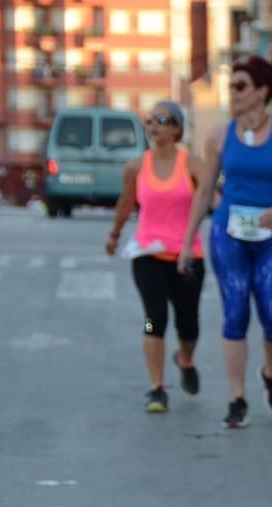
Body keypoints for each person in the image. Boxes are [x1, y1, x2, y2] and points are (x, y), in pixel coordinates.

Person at [177, 56, 272, 429]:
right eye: (231, 86)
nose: (232, 92)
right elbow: (204, 191)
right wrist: (187, 242)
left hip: (270, 235)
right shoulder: (219, 136)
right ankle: (237, 398)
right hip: (228, 234)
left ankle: (270, 373)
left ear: (261, 92)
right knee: (235, 314)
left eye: (239, 85)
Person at [106, 101, 205, 414]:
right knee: (154, 319)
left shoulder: (193, 165)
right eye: (149, 120)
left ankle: (185, 358)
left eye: (162, 119)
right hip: (147, 255)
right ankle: (156, 388)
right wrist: (115, 233)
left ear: (177, 128)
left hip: (187, 257)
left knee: (188, 325)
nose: (154, 125)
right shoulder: (136, 166)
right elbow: (126, 202)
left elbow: (210, 200)